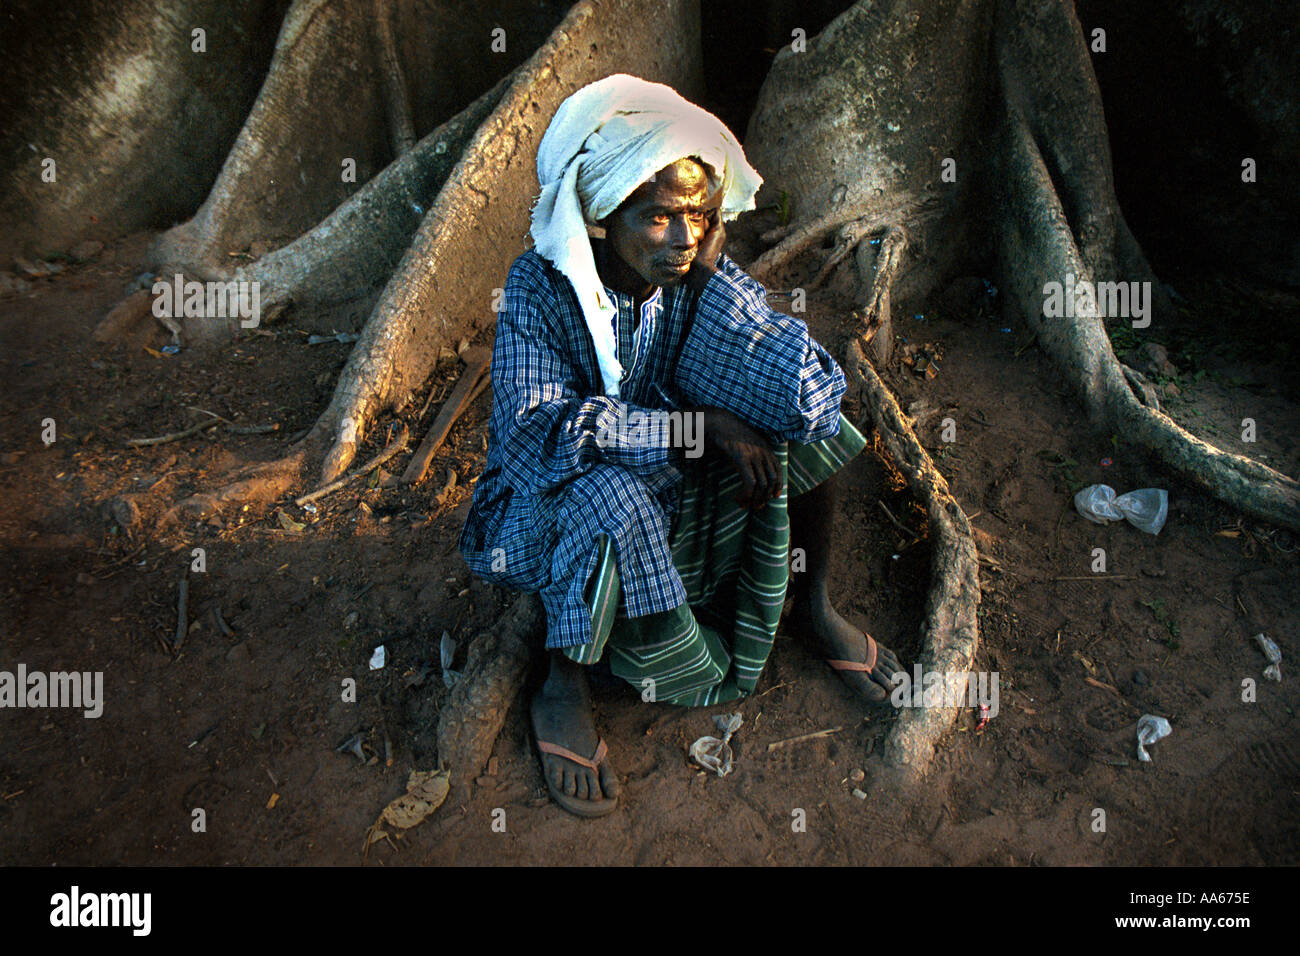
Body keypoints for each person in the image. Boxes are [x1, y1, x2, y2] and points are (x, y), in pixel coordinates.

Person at [459, 74, 903, 817]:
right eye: (659, 216)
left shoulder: (691, 272)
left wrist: (714, 269)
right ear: (604, 212)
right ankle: (561, 684)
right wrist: (686, 429)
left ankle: (811, 605)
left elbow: (806, 389)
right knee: (611, 494)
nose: (684, 237)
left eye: (699, 214)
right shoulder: (537, 289)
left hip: (672, 481)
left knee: (794, 431)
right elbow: (538, 438)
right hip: (551, 504)